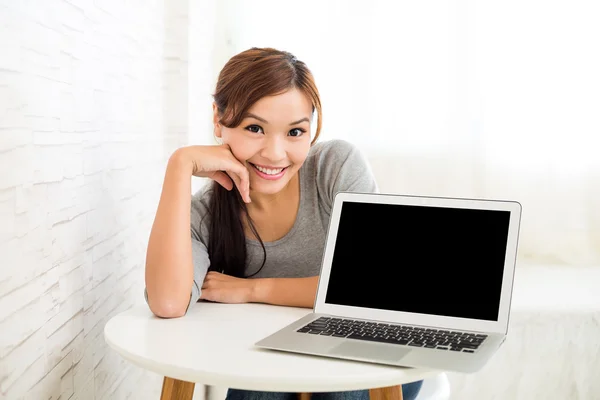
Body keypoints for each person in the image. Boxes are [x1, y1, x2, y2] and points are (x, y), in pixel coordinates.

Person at [144, 47, 423, 400]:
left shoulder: (335, 167)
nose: (275, 154)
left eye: (294, 132)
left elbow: (372, 289)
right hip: (271, 357)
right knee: (258, 388)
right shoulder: (207, 212)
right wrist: (180, 165)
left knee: (338, 389)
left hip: (366, 352)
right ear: (218, 119)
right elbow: (168, 303)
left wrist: (252, 290)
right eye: (254, 128)